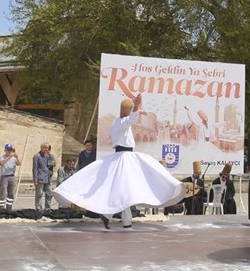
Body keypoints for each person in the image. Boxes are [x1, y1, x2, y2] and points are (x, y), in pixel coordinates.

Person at [52, 94, 185, 229]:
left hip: (123, 156)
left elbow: (131, 118)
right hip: (124, 157)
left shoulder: (118, 122)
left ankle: (111, 217)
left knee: (122, 191)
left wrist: (138, 109)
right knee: (124, 191)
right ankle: (121, 221)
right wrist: (137, 107)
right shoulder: (121, 122)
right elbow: (131, 119)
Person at [32, 143, 55, 212]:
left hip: (47, 178)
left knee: (49, 193)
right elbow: (35, 168)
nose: (47, 149)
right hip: (40, 178)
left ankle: (47, 208)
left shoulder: (48, 156)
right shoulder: (37, 156)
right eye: (45, 148)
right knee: (39, 194)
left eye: (47, 148)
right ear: (41, 148)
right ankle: (38, 208)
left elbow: (53, 164)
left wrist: (51, 157)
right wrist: (35, 180)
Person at [0, 143, 19, 210]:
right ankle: (1, 207)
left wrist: (17, 157)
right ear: (5, 150)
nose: (9, 151)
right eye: (8, 150)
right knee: (2, 192)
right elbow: (1, 163)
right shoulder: (2, 156)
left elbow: (19, 164)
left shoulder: (14, 158)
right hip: (4, 177)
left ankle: (9, 207)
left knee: (11, 193)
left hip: (12, 177)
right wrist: (9, 157)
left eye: (10, 150)